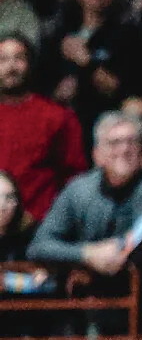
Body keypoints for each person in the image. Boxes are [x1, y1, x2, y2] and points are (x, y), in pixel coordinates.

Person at [26, 112, 142, 334]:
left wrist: (93, 268)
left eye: (132, 142)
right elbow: (39, 246)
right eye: (114, 143)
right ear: (97, 154)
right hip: (89, 311)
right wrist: (86, 255)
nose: (124, 149)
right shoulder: (79, 189)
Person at [0, 34, 86, 224]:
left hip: (39, 225)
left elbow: (75, 181)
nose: (11, 67)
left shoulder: (57, 117)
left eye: (19, 58)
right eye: (3, 59)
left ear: (30, 65)